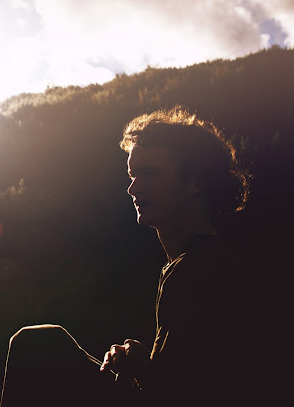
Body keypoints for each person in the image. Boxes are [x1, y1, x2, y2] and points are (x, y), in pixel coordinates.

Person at [100, 106, 252, 404]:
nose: (133, 188)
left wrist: (141, 368)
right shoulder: (194, 262)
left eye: (149, 174)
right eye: (132, 175)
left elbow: (185, 391)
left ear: (195, 182)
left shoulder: (199, 269)